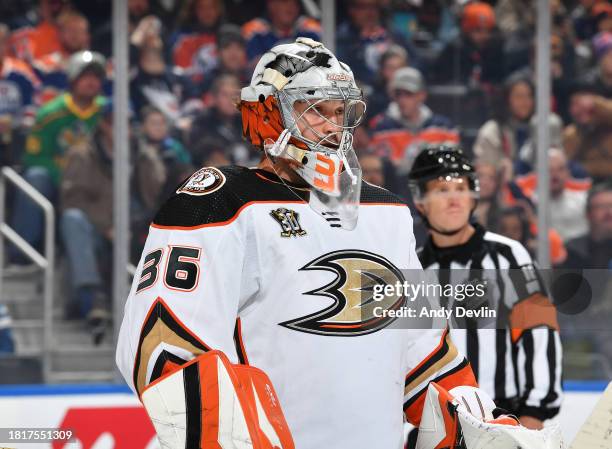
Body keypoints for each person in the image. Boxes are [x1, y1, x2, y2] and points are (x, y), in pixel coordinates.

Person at [116, 38, 492, 449]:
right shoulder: (219, 203)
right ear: (268, 113)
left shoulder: (388, 212)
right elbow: (162, 344)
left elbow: (425, 352)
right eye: (314, 110)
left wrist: (475, 427)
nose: (333, 127)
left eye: (339, 111)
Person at [407, 145, 563, 431]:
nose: (454, 198)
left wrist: (533, 414)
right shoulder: (411, 267)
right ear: (420, 201)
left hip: (506, 419)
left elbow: (538, 334)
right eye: (441, 189)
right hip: (434, 426)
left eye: (461, 188)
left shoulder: (509, 255)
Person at [10, 50, 107, 262]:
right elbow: (34, 157)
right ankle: (21, 253)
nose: (91, 82)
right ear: (73, 78)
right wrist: (66, 174)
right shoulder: (50, 113)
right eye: (85, 76)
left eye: (96, 77)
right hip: (59, 177)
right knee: (36, 176)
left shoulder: (107, 112)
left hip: (97, 180)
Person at [370, 67, 459, 174]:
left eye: (408, 94)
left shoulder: (444, 128)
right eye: (398, 94)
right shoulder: (383, 129)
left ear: (422, 95)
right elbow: (380, 170)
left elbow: (454, 165)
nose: (402, 100)